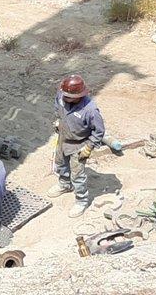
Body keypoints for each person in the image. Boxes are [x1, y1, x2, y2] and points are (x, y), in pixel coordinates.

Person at [47, 74, 105, 218]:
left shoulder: (90, 110)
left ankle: (81, 200)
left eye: (69, 97)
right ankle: (65, 184)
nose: (64, 98)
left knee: (78, 175)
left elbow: (99, 131)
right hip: (63, 138)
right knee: (60, 164)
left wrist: (89, 147)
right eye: (64, 95)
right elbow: (57, 107)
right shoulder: (61, 95)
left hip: (79, 144)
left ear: (79, 95)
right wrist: (58, 121)